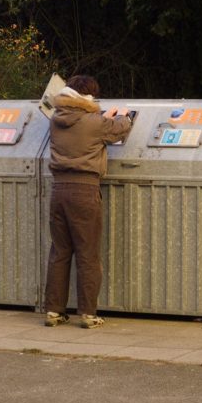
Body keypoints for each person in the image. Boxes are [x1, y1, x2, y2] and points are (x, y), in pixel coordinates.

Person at [44, 74, 132, 329]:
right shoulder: (94, 123)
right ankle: (88, 313)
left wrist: (102, 117)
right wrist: (122, 114)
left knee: (59, 252)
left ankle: (53, 311)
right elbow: (119, 129)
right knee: (87, 253)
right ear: (90, 97)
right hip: (84, 190)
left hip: (58, 190)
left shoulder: (55, 119)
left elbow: (87, 125)